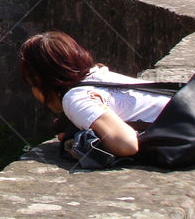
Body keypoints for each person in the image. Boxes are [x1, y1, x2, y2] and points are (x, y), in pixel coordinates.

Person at [18, 31, 172, 157]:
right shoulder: (99, 75)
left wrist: (83, 142)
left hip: (184, 131)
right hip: (187, 115)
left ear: (39, 80)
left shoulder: (75, 98)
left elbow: (127, 145)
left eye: (32, 84)